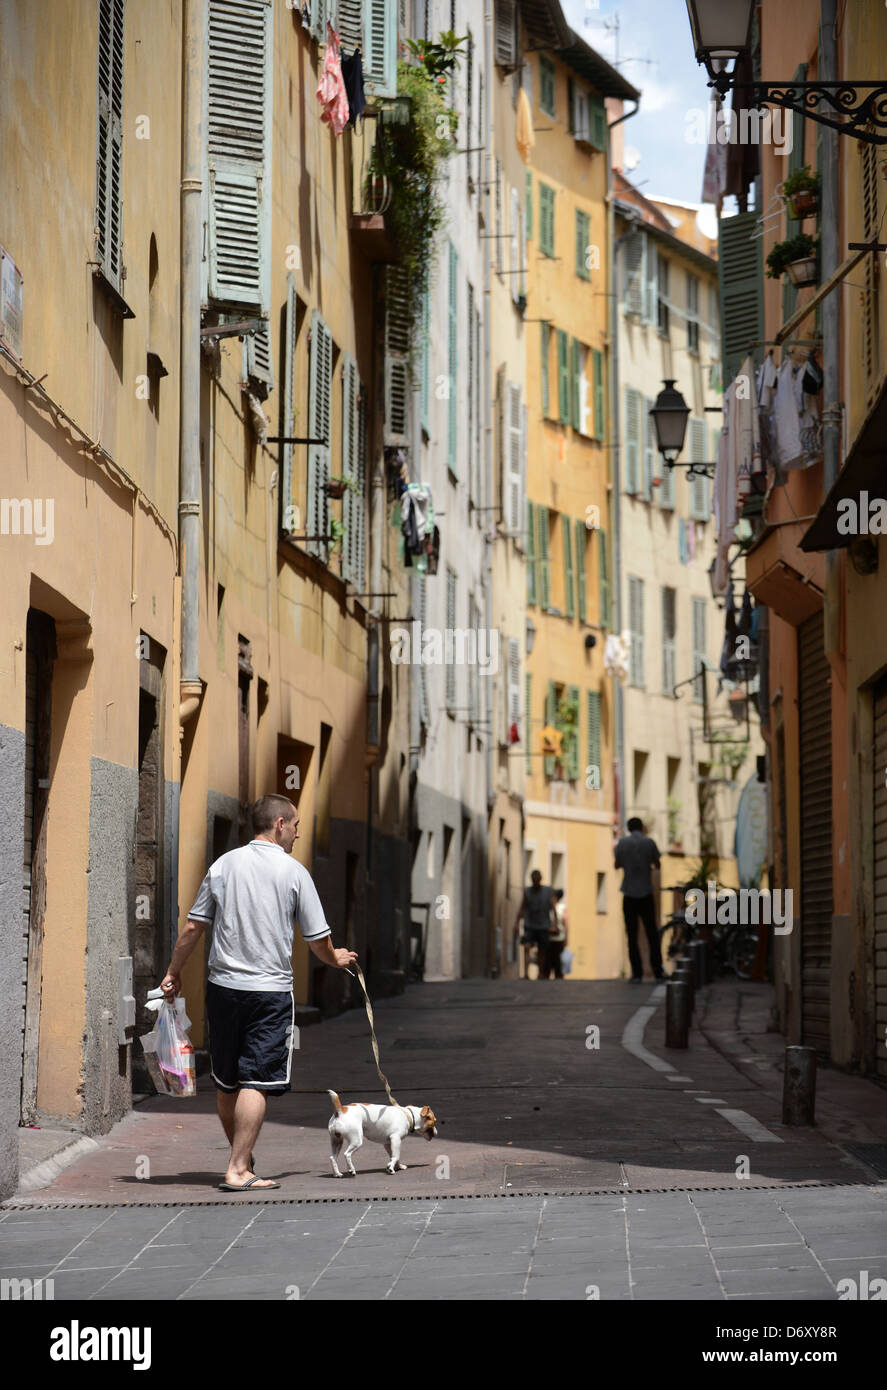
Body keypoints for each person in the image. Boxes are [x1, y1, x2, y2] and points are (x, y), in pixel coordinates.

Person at [161, 793, 357, 1191]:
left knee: (226, 1080)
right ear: (280, 825)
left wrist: (173, 972)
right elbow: (317, 938)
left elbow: (193, 927)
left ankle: (242, 1158)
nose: (299, 834)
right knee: (257, 1080)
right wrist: (334, 958)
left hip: (223, 989)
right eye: (296, 825)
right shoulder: (294, 872)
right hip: (269, 993)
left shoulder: (223, 865)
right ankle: (236, 1169)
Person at [614, 817, 666, 982]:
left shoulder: (622, 843)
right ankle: (657, 970)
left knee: (631, 934)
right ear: (642, 827)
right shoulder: (649, 842)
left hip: (629, 893)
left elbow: (616, 864)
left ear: (628, 828)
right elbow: (658, 864)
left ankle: (637, 973)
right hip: (645, 892)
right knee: (652, 933)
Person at [513, 869, 558, 979]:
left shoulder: (547, 891)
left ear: (540, 880)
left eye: (537, 880)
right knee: (527, 947)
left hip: (543, 925)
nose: (535, 883)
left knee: (542, 950)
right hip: (530, 925)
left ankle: (540, 972)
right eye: (533, 881)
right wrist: (516, 923)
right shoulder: (527, 892)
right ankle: (526, 973)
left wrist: (555, 924)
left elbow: (553, 908)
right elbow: (522, 907)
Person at [540, 888, 568, 979]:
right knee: (548, 960)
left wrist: (566, 938)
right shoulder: (549, 908)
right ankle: (547, 976)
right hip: (549, 938)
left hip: (558, 938)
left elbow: (566, 925)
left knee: (557, 960)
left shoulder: (561, 908)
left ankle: (558, 976)